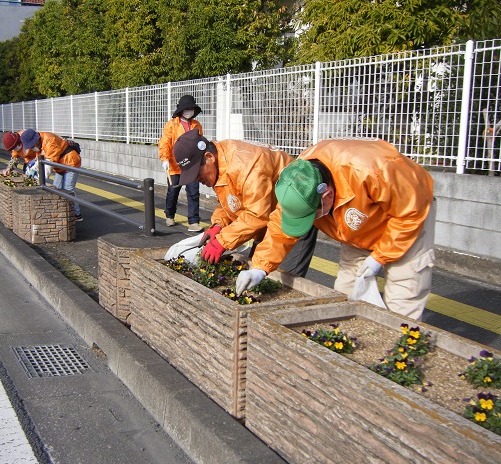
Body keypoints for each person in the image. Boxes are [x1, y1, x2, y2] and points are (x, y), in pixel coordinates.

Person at [236, 138, 436, 320]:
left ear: (327, 195)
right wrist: (259, 269)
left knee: (403, 295)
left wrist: (380, 256)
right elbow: (280, 228)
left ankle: (401, 347)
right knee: (346, 290)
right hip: (359, 224)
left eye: (310, 216)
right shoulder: (297, 182)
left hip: (407, 215)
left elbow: (410, 212)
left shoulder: (373, 169)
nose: (310, 221)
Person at [163, 129, 318, 275]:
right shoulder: (222, 160)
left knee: (281, 281)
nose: (196, 179)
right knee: (254, 273)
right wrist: (219, 224)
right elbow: (232, 200)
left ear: (209, 157)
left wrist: (223, 241)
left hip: (294, 217)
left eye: (197, 173)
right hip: (267, 220)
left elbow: (257, 215)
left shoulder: (246, 166)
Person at [159, 95, 204, 232]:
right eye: (187, 109)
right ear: (181, 110)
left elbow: (200, 143)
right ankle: (170, 215)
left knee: (193, 193)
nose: (189, 111)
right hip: (175, 164)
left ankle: (194, 221)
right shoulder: (172, 124)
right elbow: (165, 142)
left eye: (191, 109)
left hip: (192, 165)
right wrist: (165, 158)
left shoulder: (196, 125)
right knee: (173, 191)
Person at [19, 128, 83, 222]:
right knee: (57, 188)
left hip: (71, 162)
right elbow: (40, 159)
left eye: (32, 146)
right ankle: (63, 212)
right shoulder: (40, 141)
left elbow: (48, 165)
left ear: (35, 141)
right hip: (60, 165)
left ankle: (76, 214)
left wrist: (40, 180)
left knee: (68, 189)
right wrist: (33, 169)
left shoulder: (49, 141)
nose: (32, 148)